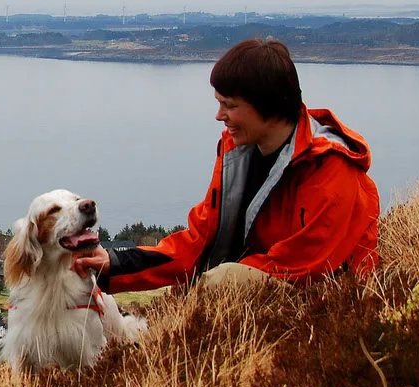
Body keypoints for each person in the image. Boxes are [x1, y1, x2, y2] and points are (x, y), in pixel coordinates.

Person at [74, 38, 379, 290]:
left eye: (230, 105)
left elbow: (305, 267)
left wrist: (218, 280)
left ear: (269, 105)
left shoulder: (330, 169)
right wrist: (114, 264)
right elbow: (198, 243)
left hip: (333, 304)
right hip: (270, 286)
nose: (219, 116)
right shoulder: (238, 152)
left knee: (222, 281)